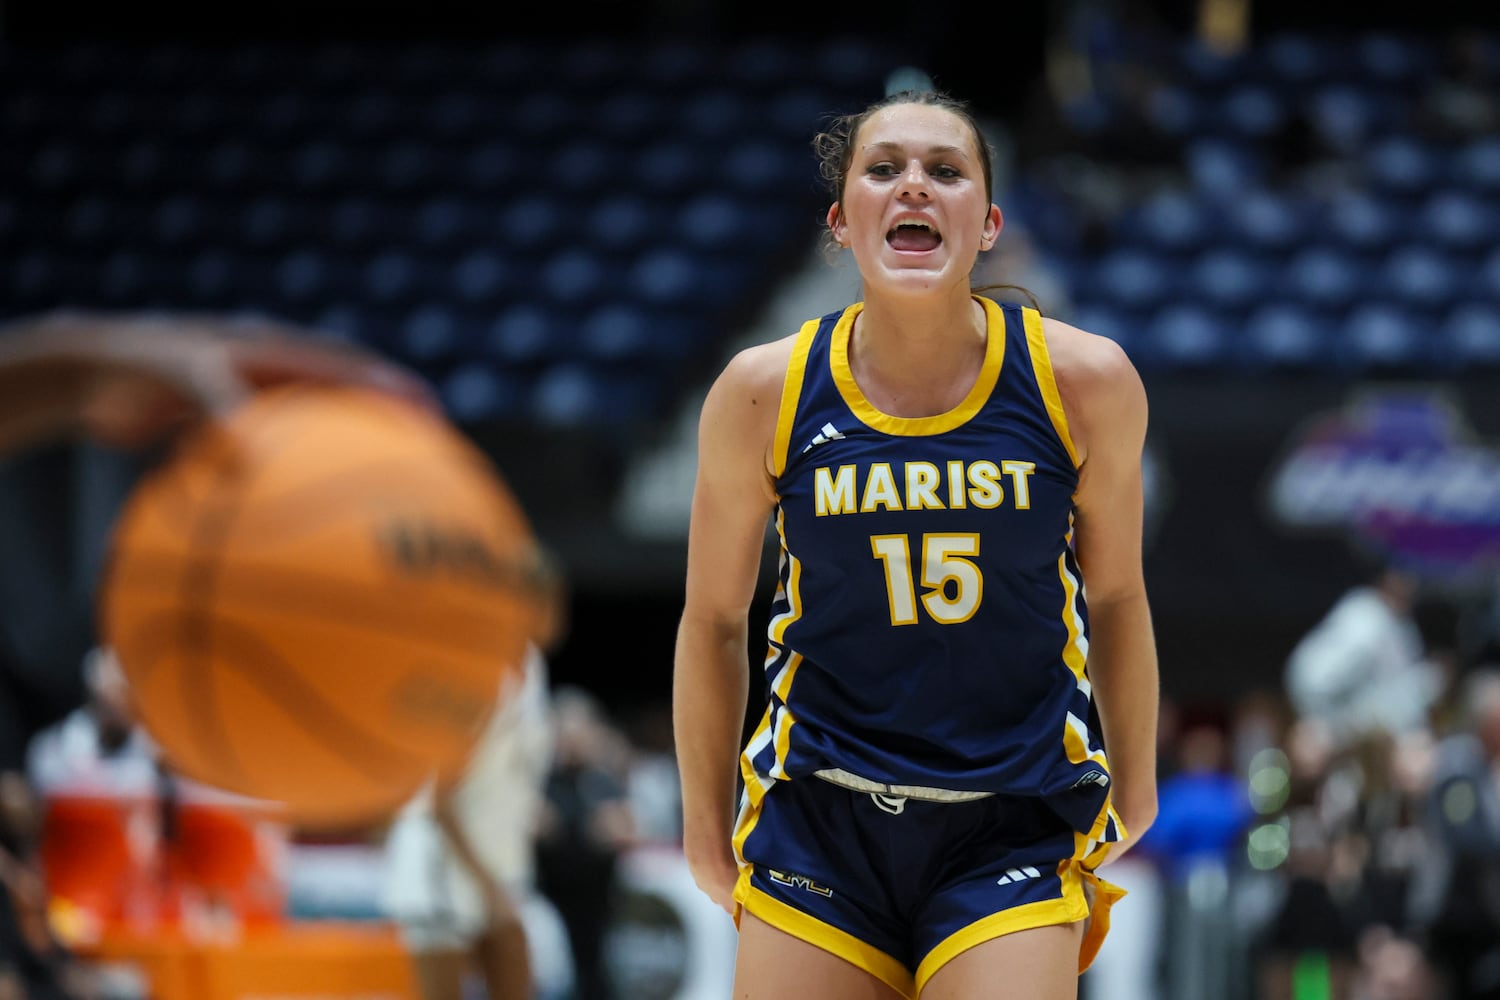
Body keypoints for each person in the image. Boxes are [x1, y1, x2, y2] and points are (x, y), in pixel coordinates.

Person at [673, 88, 1159, 1000]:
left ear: (987, 223)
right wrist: (702, 821)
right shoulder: (760, 392)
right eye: (884, 169)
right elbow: (711, 619)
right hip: (820, 812)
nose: (914, 188)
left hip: (1011, 818)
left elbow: (1120, 596)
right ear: (840, 221)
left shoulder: (1084, 380)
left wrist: (1139, 776)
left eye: (946, 172)